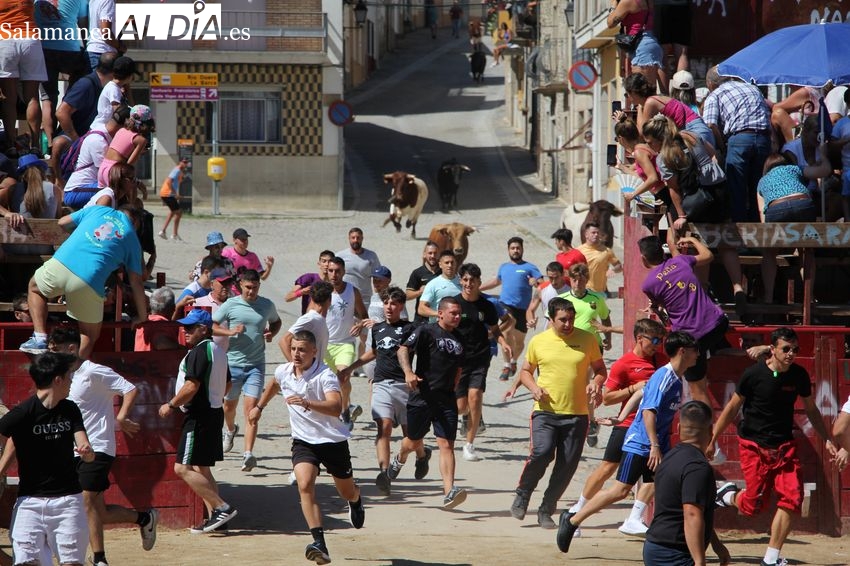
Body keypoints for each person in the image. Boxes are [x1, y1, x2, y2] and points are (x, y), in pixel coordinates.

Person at [556, 331, 699, 554]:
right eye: (694, 351)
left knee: (657, 481)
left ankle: (636, 519)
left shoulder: (675, 378)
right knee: (620, 490)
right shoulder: (665, 376)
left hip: (655, 443)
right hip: (642, 443)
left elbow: (642, 392)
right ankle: (573, 519)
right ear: (683, 351)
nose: (697, 355)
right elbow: (649, 412)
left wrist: (622, 418)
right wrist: (654, 445)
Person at [711, 327, 837, 566]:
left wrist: (827, 438)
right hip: (753, 447)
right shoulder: (753, 375)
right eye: (786, 349)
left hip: (784, 448)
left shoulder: (798, 375)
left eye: (795, 349)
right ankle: (728, 495)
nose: (791, 354)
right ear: (773, 350)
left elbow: (811, 409)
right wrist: (712, 438)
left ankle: (771, 558)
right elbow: (732, 408)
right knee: (752, 507)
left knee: (792, 499)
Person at [248, 330, 365, 565]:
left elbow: (335, 407)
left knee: (345, 491)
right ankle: (319, 543)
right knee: (304, 483)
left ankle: (355, 498)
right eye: (293, 349)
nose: (296, 354)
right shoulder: (284, 371)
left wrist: (307, 403)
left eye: (302, 349)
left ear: (314, 352)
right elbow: (273, 384)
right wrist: (259, 408)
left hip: (332, 441)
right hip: (303, 441)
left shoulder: (325, 375)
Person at [50, 328, 158, 566]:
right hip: (73, 449)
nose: (52, 353)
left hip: (99, 446)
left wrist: (121, 417)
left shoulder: (93, 371)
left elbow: (129, 388)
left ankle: (100, 559)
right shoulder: (62, 377)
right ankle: (144, 518)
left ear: (71, 349)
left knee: (84, 500)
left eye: (55, 349)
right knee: (99, 511)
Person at [506, 298, 606, 529]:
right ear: (550, 319)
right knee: (541, 453)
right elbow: (525, 371)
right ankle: (523, 494)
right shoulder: (539, 341)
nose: (568, 323)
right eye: (563, 319)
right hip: (545, 412)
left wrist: (596, 383)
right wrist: (534, 388)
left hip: (577, 414)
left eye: (571, 319)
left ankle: (546, 509)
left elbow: (601, 369)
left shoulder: (587, 339)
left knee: (567, 464)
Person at [570, 318, 667, 536]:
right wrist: (633, 388)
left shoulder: (662, 360)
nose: (657, 344)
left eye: (660, 340)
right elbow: (607, 398)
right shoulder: (624, 363)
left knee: (653, 472)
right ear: (640, 339)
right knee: (607, 469)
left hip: (651, 427)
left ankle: (635, 517)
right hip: (627, 424)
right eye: (654, 340)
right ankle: (577, 509)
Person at [0, 351, 95, 565]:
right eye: (69, 376)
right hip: (30, 501)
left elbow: (86, 450)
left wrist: (87, 453)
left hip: (68, 500)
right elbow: (9, 438)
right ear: (58, 379)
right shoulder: (23, 413)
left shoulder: (70, 409)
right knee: (26, 562)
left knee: (72, 563)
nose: (72, 381)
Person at [20, 205, 148, 360]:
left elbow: (62, 222)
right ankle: (74, 375)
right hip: (89, 280)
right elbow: (137, 283)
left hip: (62, 263)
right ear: (134, 224)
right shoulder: (132, 239)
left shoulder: (99, 209)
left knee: (34, 288)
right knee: (89, 334)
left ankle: (39, 338)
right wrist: (142, 316)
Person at [157, 309, 238, 534]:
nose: (185, 331)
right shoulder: (218, 350)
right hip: (212, 413)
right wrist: (214, 397)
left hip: (199, 416)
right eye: (185, 327)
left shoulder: (200, 351)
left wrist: (171, 404)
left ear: (204, 329)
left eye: (191, 327)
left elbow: (191, 386)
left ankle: (222, 508)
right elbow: (228, 384)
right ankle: (219, 521)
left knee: (182, 468)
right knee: (203, 468)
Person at [338, 287, 417, 495]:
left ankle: (419, 455)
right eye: (386, 303)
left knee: (411, 437)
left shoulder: (411, 328)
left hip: (405, 387)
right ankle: (384, 474)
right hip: (381, 383)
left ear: (401, 306)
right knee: (384, 427)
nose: (389, 307)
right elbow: (373, 352)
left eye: (394, 304)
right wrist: (350, 368)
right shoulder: (378, 328)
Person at [638, 234, 726, 406]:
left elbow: (661, 306)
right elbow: (708, 256)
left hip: (692, 338)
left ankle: (705, 430)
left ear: (643, 258)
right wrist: (693, 241)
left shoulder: (648, 285)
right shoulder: (680, 261)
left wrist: (655, 307)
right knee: (713, 348)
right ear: (662, 253)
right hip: (718, 323)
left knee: (698, 389)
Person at [397, 297, 468, 509]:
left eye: (459, 314)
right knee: (412, 440)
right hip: (422, 395)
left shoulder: (460, 339)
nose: (457, 317)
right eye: (453, 313)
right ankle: (399, 457)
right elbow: (402, 349)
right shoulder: (425, 331)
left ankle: (449, 492)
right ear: (440, 313)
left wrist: (453, 389)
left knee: (446, 444)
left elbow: (459, 368)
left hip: (446, 399)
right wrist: (408, 372)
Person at [644, 401, 731, 566]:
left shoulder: (669, 458)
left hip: (657, 546)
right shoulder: (698, 467)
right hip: (674, 553)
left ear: (678, 429)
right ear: (711, 432)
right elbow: (691, 513)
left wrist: (716, 545)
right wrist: (700, 561)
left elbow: (697, 510)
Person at [212, 269, 281, 472]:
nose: (251, 291)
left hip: (256, 366)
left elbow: (276, 322)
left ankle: (248, 454)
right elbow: (212, 325)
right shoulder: (231, 305)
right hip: (232, 365)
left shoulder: (266, 305)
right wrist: (230, 331)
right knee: (228, 408)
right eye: (248, 287)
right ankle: (231, 430)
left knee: (251, 411)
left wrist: (271, 333)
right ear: (240, 285)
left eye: (255, 287)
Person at [756, 147, 832, 304]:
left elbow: (763, 219)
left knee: (769, 252)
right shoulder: (794, 168)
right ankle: (809, 297)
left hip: (776, 208)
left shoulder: (762, 181)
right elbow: (825, 171)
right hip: (803, 203)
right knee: (806, 249)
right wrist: (823, 155)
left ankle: (768, 298)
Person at [453, 263, 511, 462]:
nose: (469, 284)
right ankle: (468, 414)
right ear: (461, 281)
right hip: (458, 360)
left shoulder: (487, 305)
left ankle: (469, 444)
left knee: (476, 396)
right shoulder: (453, 304)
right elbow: (443, 327)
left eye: (473, 280)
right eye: (466, 280)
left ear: (479, 282)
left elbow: (495, 329)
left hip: (480, 357)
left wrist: (503, 342)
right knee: (461, 406)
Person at [702, 66, 772, 222]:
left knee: (737, 189)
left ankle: (741, 235)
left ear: (711, 84)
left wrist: (722, 146)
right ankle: (758, 229)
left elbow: (710, 125)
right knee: (759, 188)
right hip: (763, 139)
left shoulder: (715, 95)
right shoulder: (752, 88)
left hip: (739, 140)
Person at [560, 262, 612, 448]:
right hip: (569, 347)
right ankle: (577, 418)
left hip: (592, 347)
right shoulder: (563, 299)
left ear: (586, 280)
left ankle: (590, 422)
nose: (577, 283)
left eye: (581, 280)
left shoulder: (596, 298)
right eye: (574, 280)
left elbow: (605, 316)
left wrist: (608, 335)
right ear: (570, 279)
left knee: (587, 383)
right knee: (573, 383)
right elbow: (553, 324)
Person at [480, 237, 542, 380]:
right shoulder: (504, 267)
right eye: (512, 248)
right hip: (506, 305)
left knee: (519, 343)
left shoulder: (530, 267)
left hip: (523, 309)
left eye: (518, 248)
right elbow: (496, 281)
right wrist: (478, 288)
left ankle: (513, 362)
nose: (515, 250)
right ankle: (506, 365)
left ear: (522, 249)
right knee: (507, 333)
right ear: (508, 250)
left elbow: (542, 285)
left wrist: (535, 283)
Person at [324, 257, 368, 429]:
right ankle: (335, 411)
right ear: (327, 272)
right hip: (325, 344)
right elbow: (310, 314)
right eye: (331, 271)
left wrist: (359, 324)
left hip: (345, 343)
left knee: (343, 376)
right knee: (326, 382)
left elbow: (363, 315)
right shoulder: (322, 291)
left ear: (343, 272)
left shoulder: (352, 291)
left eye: (338, 271)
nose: (334, 274)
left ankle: (344, 410)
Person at [0, 0, 45, 156]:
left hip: (5, 39)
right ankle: (35, 145)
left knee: (8, 97)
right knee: (32, 97)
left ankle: (11, 144)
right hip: (30, 39)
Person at [624, 72, 715, 148]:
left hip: (694, 132)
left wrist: (640, 107)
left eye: (627, 94)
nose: (627, 97)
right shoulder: (656, 98)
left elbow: (643, 133)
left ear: (634, 92)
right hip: (698, 131)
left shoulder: (650, 103)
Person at [63, 105, 131, 206]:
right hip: (75, 192)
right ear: (124, 127)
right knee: (116, 188)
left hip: (91, 187)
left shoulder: (106, 135)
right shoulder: (98, 140)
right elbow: (108, 175)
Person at [0, 154, 62, 257]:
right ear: (42, 170)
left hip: (15, 248)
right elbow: (58, 216)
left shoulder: (13, 189)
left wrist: (7, 213)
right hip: (44, 249)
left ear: (21, 174)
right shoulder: (54, 189)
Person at [607, 0, 663, 92]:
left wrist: (613, 6)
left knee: (642, 92)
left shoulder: (627, 2)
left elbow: (610, 23)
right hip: (650, 41)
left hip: (641, 46)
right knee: (647, 91)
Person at [96, 104, 154, 189]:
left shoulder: (121, 130)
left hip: (103, 169)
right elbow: (129, 164)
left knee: (104, 198)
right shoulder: (141, 140)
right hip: (115, 172)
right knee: (126, 200)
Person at [88, 56, 136, 131]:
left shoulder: (115, 87)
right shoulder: (113, 89)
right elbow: (119, 112)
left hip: (103, 129)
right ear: (129, 75)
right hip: (101, 130)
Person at [652, 0, 691, 92]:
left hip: (659, 5)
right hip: (682, 6)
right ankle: (682, 94)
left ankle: (665, 97)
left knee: (662, 55)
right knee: (682, 53)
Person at [336, 227, 382, 302]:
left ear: (362, 238)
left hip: (365, 299)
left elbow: (378, 277)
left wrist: (379, 296)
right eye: (353, 238)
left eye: (358, 238)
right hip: (344, 298)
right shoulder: (339, 256)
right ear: (349, 239)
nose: (355, 240)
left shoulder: (371, 256)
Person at [577, 222, 622, 295]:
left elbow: (619, 266)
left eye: (598, 233)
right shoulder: (578, 251)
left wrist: (613, 270)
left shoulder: (606, 251)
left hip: (600, 292)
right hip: (583, 290)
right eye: (593, 233)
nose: (596, 235)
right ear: (586, 235)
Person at [285, 250, 334, 315]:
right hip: (308, 321)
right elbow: (287, 298)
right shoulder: (308, 278)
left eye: (329, 262)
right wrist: (302, 292)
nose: (326, 264)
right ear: (319, 263)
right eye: (324, 261)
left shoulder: (336, 283)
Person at [418, 250, 462, 320]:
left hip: (460, 326)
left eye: (452, 262)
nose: (450, 265)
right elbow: (421, 309)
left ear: (456, 264)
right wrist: (440, 314)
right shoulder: (433, 284)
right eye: (446, 263)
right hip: (438, 327)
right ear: (440, 264)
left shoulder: (463, 283)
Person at [526, 261, 570, 330]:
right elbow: (530, 310)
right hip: (548, 331)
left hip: (567, 330)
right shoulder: (541, 289)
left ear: (562, 275)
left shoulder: (571, 288)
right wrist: (531, 320)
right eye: (550, 278)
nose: (553, 281)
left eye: (556, 277)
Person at [134, 286, 181, 351]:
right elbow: (161, 343)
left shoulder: (143, 321)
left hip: (139, 360)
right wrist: (181, 348)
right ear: (173, 308)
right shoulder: (162, 323)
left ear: (151, 305)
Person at [406, 240, 441, 324]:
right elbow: (407, 296)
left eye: (435, 253)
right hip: (421, 320)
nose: (433, 256)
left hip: (440, 319)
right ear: (424, 254)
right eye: (430, 253)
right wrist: (419, 292)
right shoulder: (417, 273)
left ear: (439, 254)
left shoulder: (444, 273)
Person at [86, 0, 123, 71]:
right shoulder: (108, 1)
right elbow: (106, 33)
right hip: (103, 53)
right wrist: (119, 46)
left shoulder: (93, 1)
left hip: (92, 50)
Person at [158, 158, 188, 241]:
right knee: (178, 212)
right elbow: (169, 182)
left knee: (174, 212)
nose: (185, 164)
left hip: (168, 194)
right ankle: (170, 233)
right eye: (184, 162)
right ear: (180, 162)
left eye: (186, 162)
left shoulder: (180, 171)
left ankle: (165, 232)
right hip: (167, 194)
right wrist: (175, 194)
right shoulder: (177, 170)